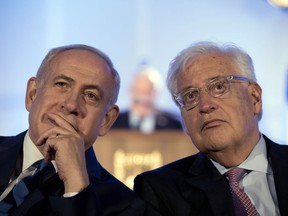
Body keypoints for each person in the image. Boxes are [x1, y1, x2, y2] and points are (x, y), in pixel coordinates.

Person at [134, 41, 288, 215]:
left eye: (219, 87)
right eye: (190, 95)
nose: (205, 105)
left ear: (254, 98)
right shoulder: (160, 190)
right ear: (184, 120)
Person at [0, 44, 145, 215]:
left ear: (106, 120)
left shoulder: (124, 205)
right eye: (61, 84)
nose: (71, 105)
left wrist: (76, 187)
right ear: (32, 94)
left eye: (91, 96)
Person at [112, 66, 182, 133]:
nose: (143, 97)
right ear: (130, 90)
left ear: (157, 93)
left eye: (148, 91)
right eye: (138, 91)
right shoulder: (113, 123)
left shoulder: (173, 125)